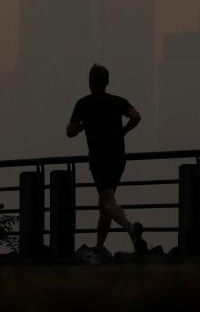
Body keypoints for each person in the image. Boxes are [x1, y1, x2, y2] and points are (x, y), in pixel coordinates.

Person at [66, 64, 145, 258]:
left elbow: (70, 132)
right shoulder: (118, 101)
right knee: (105, 204)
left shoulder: (83, 104)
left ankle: (130, 227)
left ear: (90, 82)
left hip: (99, 159)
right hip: (119, 157)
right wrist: (123, 131)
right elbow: (136, 116)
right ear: (107, 81)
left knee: (107, 202)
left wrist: (84, 124)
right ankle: (99, 247)